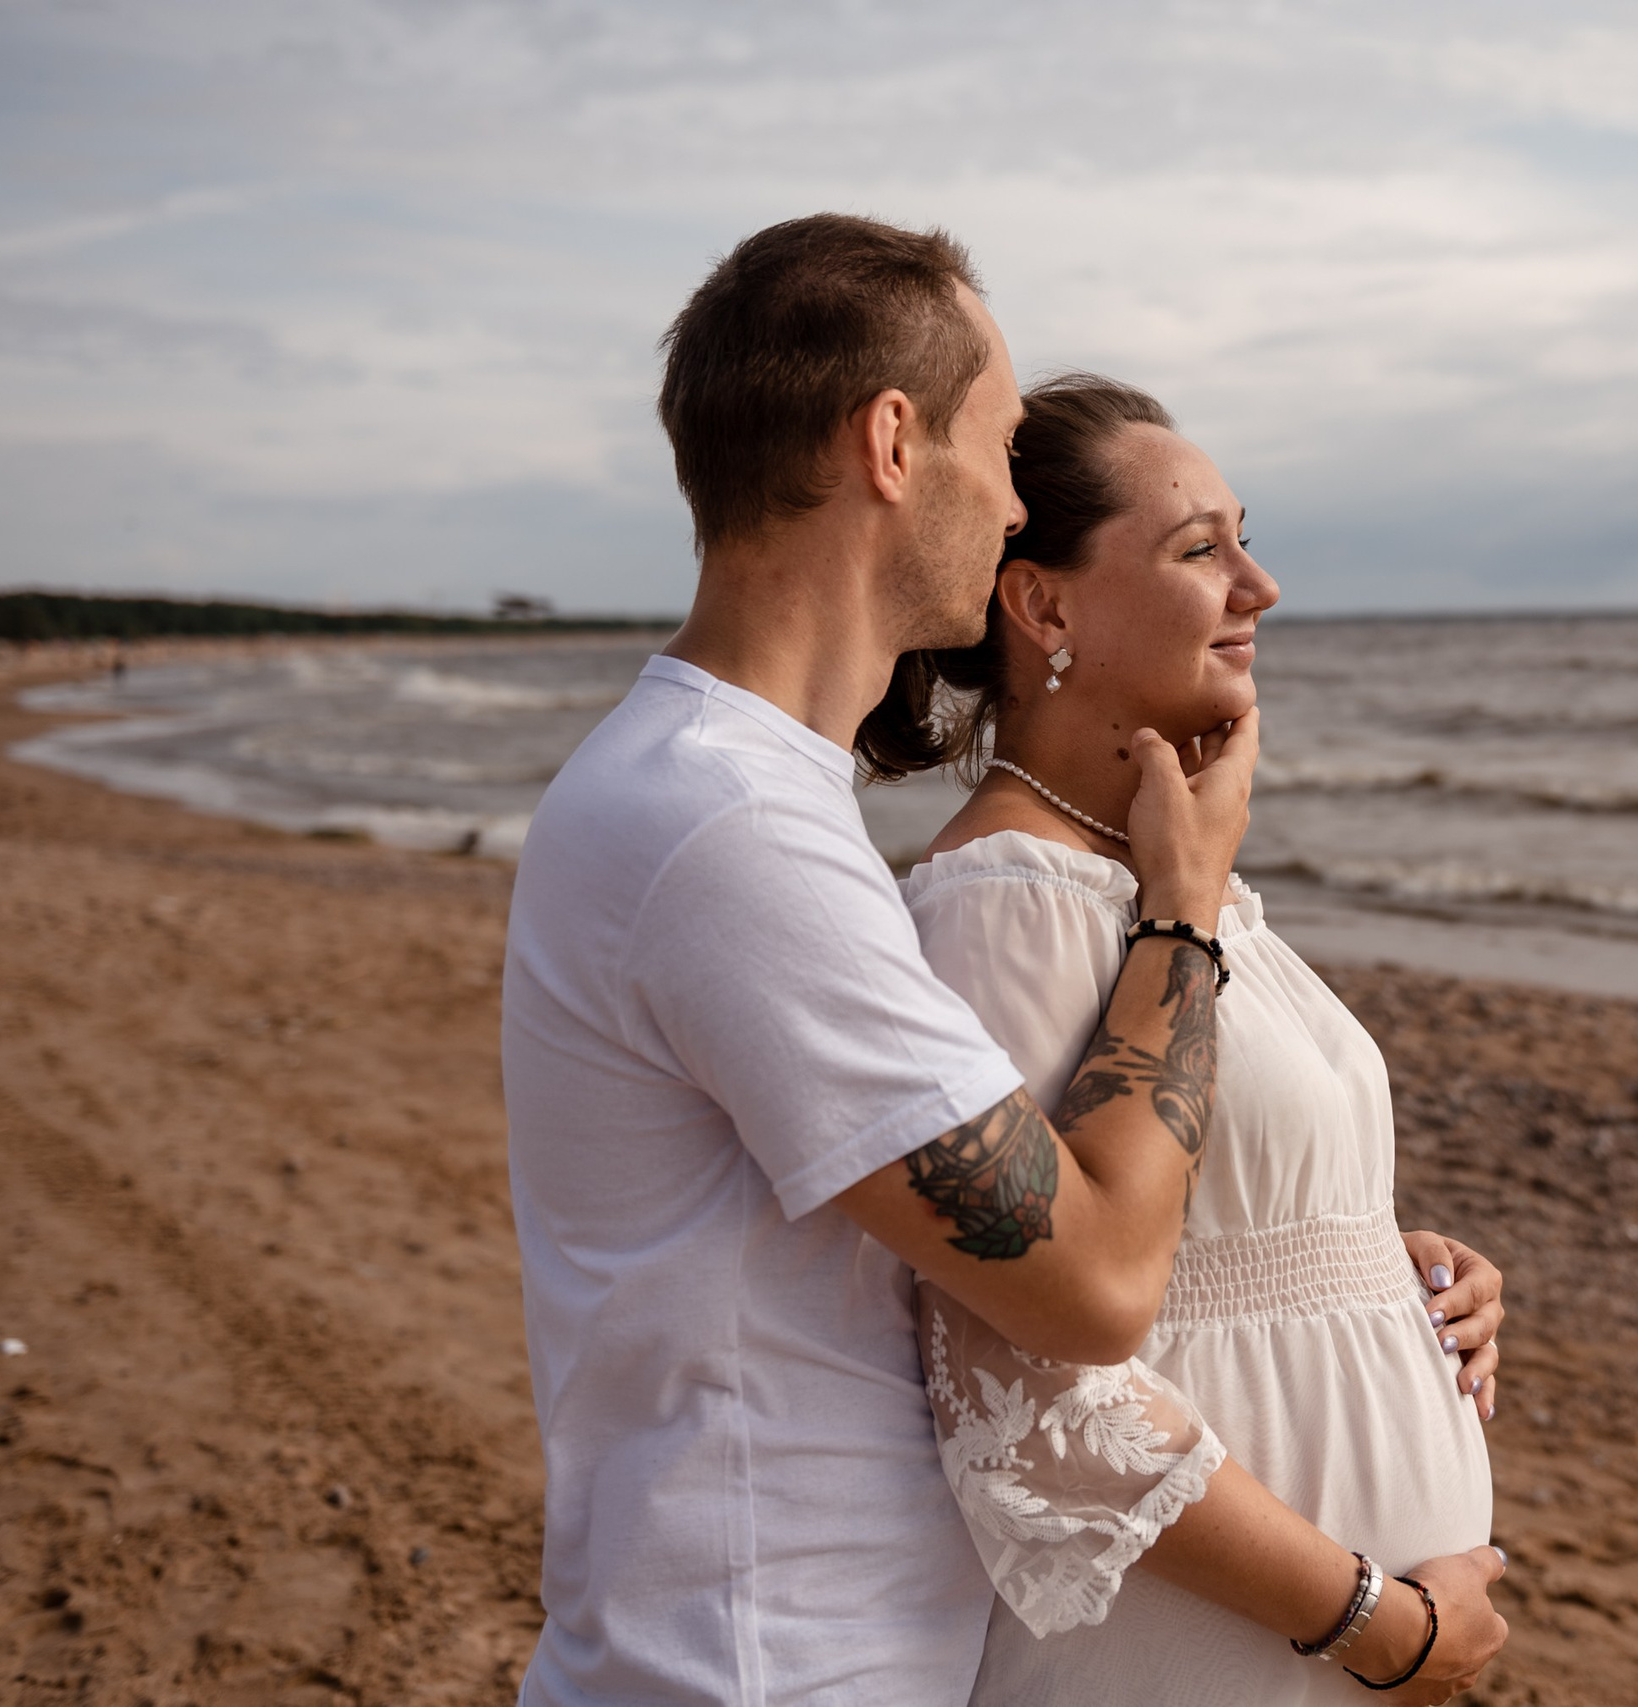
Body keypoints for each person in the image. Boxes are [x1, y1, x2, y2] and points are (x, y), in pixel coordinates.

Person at [502, 216, 1259, 1705]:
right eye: (997, 441)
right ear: (894, 442)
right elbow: (1093, 1281)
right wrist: (1181, 908)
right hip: (759, 1667)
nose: (1009, 498)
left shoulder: (732, 796)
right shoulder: (725, 832)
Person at [862, 375, 1507, 1703]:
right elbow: (1030, 1390)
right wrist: (1373, 1623)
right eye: (1201, 548)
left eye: (1243, 537)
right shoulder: (1010, 903)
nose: (1259, 586)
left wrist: (1388, 1274)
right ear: (1043, 604)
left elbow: (1180, 1207)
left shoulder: (1177, 875)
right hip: (1207, 1646)